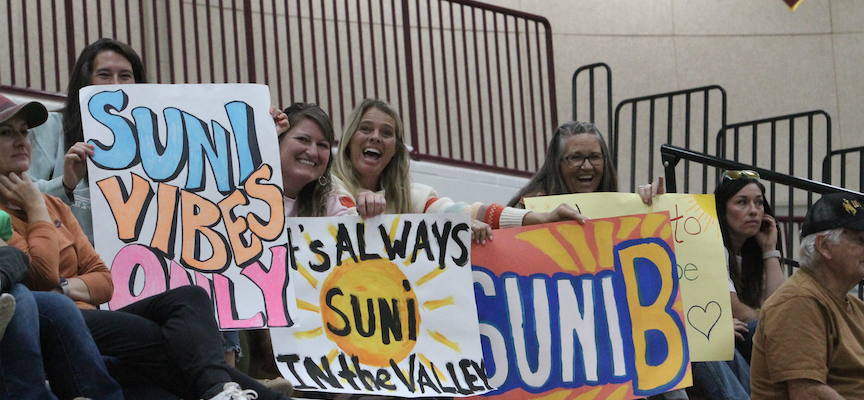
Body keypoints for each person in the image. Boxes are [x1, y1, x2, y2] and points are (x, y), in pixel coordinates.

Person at [0, 95, 286, 400]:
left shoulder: (53, 204)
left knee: (189, 298)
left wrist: (64, 286)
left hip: (92, 322)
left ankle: (219, 390)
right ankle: (241, 393)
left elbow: (104, 281)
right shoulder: (33, 207)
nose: (21, 141)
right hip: (56, 324)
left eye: (24, 132)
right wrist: (36, 209)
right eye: (6, 132)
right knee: (171, 343)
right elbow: (41, 277)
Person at [332, 98, 586, 235]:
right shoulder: (328, 188)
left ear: (396, 149)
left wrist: (542, 218)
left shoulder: (413, 196)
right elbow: (342, 223)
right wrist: (363, 210)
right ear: (349, 139)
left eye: (386, 133)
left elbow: (465, 211)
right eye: (365, 129)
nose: (375, 137)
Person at [246, 102, 348, 392]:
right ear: (276, 142)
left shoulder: (329, 201)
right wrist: (260, 134)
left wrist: (370, 208)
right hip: (253, 313)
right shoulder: (243, 187)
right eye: (303, 139)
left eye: (323, 145)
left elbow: (358, 238)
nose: (312, 152)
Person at [750, 192, 864, 399]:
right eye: (861, 240)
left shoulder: (854, 306)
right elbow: (808, 393)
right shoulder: (798, 301)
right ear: (825, 247)